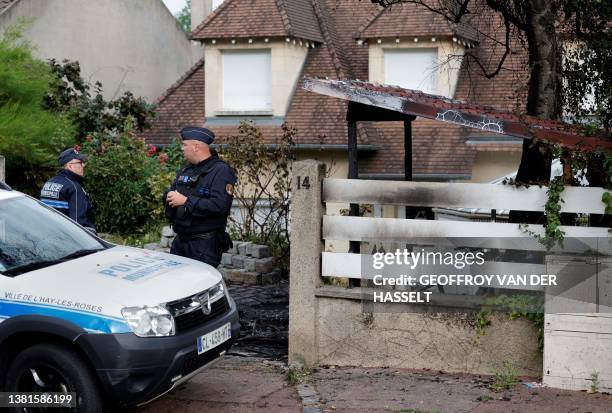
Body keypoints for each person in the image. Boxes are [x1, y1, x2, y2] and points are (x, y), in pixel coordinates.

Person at [164, 127, 236, 268]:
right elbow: (172, 192)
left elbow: (219, 205)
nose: (182, 148)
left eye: (185, 144)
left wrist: (186, 201)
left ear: (196, 147)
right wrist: (169, 195)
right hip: (180, 242)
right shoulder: (186, 169)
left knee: (198, 286)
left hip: (204, 245)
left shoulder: (220, 171)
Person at [40, 147, 96, 233]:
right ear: (70, 166)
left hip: (48, 234)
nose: (83, 165)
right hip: (67, 239)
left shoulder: (48, 183)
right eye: (80, 162)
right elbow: (79, 224)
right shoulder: (74, 187)